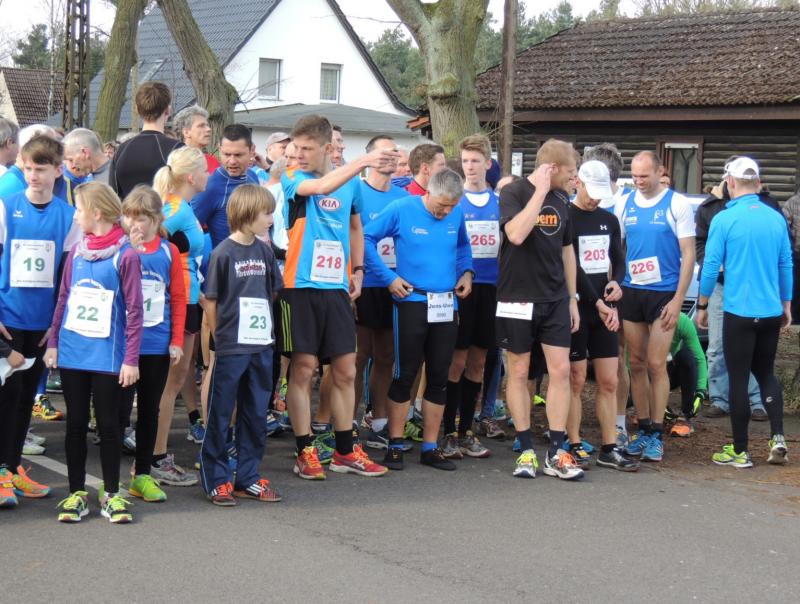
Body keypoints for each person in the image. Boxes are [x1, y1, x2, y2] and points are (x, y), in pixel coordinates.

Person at [279, 114, 395, 480]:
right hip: (300, 286)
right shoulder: (293, 176)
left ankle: (345, 450)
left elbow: (355, 227)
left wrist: (358, 270)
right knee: (303, 368)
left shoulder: (351, 185)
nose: (299, 154)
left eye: (307, 148)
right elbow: (321, 187)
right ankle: (304, 450)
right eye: (296, 147)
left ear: (327, 148)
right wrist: (363, 161)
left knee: (345, 369)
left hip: (336, 289)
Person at [44, 182, 143, 523]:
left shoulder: (125, 255)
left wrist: (131, 359)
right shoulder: (76, 252)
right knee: (75, 424)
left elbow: (135, 311)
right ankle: (76, 494)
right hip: (73, 353)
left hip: (107, 357)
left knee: (109, 426)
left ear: (97, 213)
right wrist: (53, 343)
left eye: (79, 209)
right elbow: (63, 299)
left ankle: (112, 494)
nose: (75, 216)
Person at [364, 168, 473, 471]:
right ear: (428, 192)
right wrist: (388, 278)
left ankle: (430, 447)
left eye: (451, 206)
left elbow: (463, 246)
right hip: (412, 300)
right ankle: (395, 444)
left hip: (445, 302)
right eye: (441, 205)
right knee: (406, 373)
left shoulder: (456, 213)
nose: (445, 212)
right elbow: (367, 238)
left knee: (439, 375)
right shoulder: (402, 208)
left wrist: (466, 272)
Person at [0, 135, 81, 508]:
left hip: (42, 321)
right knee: (6, 395)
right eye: (29, 168)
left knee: (23, 399)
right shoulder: (6, 207)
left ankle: (13, 466)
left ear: (58, 170)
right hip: (8, 316)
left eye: (41, 169)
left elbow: (67, 274)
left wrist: (57, 321)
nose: (34, 175)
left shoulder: (69, 216)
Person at [496, 138, 583, 480]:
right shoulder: (513, 192)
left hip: (555, 298)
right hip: (516, 297)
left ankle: (557, 451)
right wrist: (540, 191)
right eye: (571, 172)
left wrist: (572, 298)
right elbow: (516, 234)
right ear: (552, 168)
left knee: (560, 371)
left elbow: (567, 250)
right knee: (518, 371)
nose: (574, 178)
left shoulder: (563, 200)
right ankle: (525, 448)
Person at [696, 157, 792, 468]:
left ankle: (740, 450)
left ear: (730, 182)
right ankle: (778, 437)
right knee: (765, 372)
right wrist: (787, 303)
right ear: (759, 182)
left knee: (738, 377)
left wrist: (703, 304)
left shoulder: (724, 218)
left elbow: (710, 265)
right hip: (770, 309)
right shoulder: (775, 217)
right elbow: (785, 263)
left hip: (739, 310)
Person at [200, 184, 283, 505]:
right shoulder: (222, 253)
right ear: (248, 214)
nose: (271, 219)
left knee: (256, 412)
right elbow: (210, 300)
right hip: (232, 346)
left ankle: (247, 476)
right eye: (266, 213)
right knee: (221, 412)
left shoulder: (264, 251)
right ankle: (216, 477)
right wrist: (220, 336)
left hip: (261, 345)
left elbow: (272, 291)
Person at [615, 150, 695, 463]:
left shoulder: (677, 203)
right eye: (634, 176)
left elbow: (688, 254)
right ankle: (644, 428)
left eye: (644, 176)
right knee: (635, 362)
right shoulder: (625, 203)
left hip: (663, 293)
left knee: (656, 363)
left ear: (660, 172)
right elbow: (617, 249)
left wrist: (678, 300)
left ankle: (658, 434)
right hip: (632, 290)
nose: (638, 181)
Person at [566, 160, 638, 471]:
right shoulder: (566, 217)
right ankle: (572, 442)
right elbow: (573, 268)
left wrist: (617, 283)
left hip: (605, 309)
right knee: (576, 378)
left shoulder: (609, 219)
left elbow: (618, 259)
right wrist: (597, 302)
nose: (595, 199)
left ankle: (609, 447)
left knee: (609, 379)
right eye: (591, 192)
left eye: (600, 194)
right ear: (577, 183)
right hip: (577, 309)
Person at [122, 186, 187, 503]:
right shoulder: (122, 249)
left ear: (157, 219)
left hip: (156, 343)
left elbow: (178, 297)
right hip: (124, 346)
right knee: (118, 413)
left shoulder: (168, 251)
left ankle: (143, 473)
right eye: (131, 217)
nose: (136, 224)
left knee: (150, 411)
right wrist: (130, 250)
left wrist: (176, 340)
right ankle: (110, 479)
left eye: (143, 218)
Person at [150, 146, 209, 486]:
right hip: (178, 301)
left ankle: (154, 454)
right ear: (191, 176)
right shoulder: (176, 209)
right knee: (171, 382)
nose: (208, 175)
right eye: (204, 170)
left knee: (170, 381)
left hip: (185, 297)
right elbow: (143, 236)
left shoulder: (177, 205)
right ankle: (156, 457)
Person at [696, 159, 771, 420]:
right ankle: (720, 399)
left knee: (752, 347)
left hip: (753, 289)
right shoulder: (709, 209)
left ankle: (757, 401)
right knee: (717, 346)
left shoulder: (767, 208)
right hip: (721, 287)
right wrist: (710, 265)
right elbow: (700, 245)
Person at [442, 134, 498, 460]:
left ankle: (466, 431)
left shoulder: (499, 202)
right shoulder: (455, 201)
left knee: (478, 362)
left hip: (491, 288)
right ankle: (448, 431)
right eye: (465, 161)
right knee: (457, 361)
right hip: (461, 288)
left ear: (488, 163)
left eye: (476, 161)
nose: (470, 166)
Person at [351, 135, 407, 450]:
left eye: (394, 153)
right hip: (362, 284)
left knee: (386, 356)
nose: (390, 158)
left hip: (393, 285)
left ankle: (380, 422)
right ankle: (348, 422)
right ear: (369, 156)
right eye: (383, 153)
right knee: (357, 358)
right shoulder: (355, 190)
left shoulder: (403, 197)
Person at [109, 81, 183, 198]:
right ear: (168, 110)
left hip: (128, 209)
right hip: (166, 209)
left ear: (137, 109)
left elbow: (114, 195)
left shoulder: (121, 150)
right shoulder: (177, 149)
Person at [191, 124, 260, 248]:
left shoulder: (253, 177)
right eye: (227, 154)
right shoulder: (210, 187)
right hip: (225, 259)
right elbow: (189, 231)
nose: (232, 161)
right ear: (219, 148)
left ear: (252, 151)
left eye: (238, 155)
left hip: (255, 257)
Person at [665, 312, 708, 437]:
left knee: (686, 356)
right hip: (646, 374)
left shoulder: (682, 321)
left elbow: (700, 358)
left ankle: (685, 416)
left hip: (668, 371)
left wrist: (700, 391)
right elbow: (633, 364)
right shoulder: (642, 320)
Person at [172, 104, 219, 173]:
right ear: (186, 132)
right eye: (201, 126)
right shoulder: (175, 163)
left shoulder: (212, 161)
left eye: (207, 125)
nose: (209, 129)